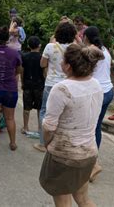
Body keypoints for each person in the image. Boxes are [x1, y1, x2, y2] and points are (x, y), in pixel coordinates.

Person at [39, 44, 103, 207]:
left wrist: (47, 144)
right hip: (88, 153)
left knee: (63, 199)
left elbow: (49, 127)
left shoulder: (61, 89)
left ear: (68, 66)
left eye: (62, 61)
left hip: (65, 155)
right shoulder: (96, 84)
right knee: (83, 198)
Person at [34, 22, 77, 152]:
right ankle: (60, 142)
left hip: (51, 84)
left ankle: (43, 143)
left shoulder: (50, 46)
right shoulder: (74, 48)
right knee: (64, 114)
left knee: (45, 112)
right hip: (69, 85)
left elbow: (42, 64)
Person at [82, 26, 114, 182]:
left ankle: (93, 164)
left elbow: (85, 71)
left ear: (86, 37)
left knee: (88, 127)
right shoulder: (105, 50)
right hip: (108, 91)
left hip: (97, 93)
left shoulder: (89, 51)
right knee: (96, 127)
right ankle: (92, 160)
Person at [21, 36, 45, 135]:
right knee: (40, 108)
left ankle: (25, 127)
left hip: (27, 84)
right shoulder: (42, 57)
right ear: (39, 45)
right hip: (39, 85)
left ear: (28, 45)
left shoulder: (24, 56)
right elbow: (44, 72)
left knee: (26, 107)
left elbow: (22, 71)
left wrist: (22, 82)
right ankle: (40, 128)